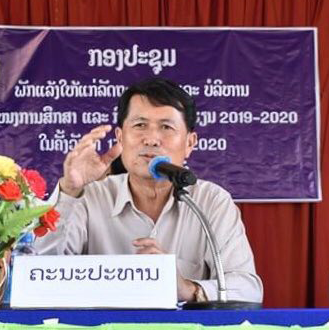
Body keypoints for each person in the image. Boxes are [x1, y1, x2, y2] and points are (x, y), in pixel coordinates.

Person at [34, 77, 263, 303]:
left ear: (190, 143)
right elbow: (40, 275)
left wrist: (186, 288)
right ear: (120, 138)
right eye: (140, 125)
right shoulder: (88, 196)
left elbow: (247, 289)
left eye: (166, 127)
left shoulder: (210, 202)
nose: (152, 139)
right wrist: (70, 190)